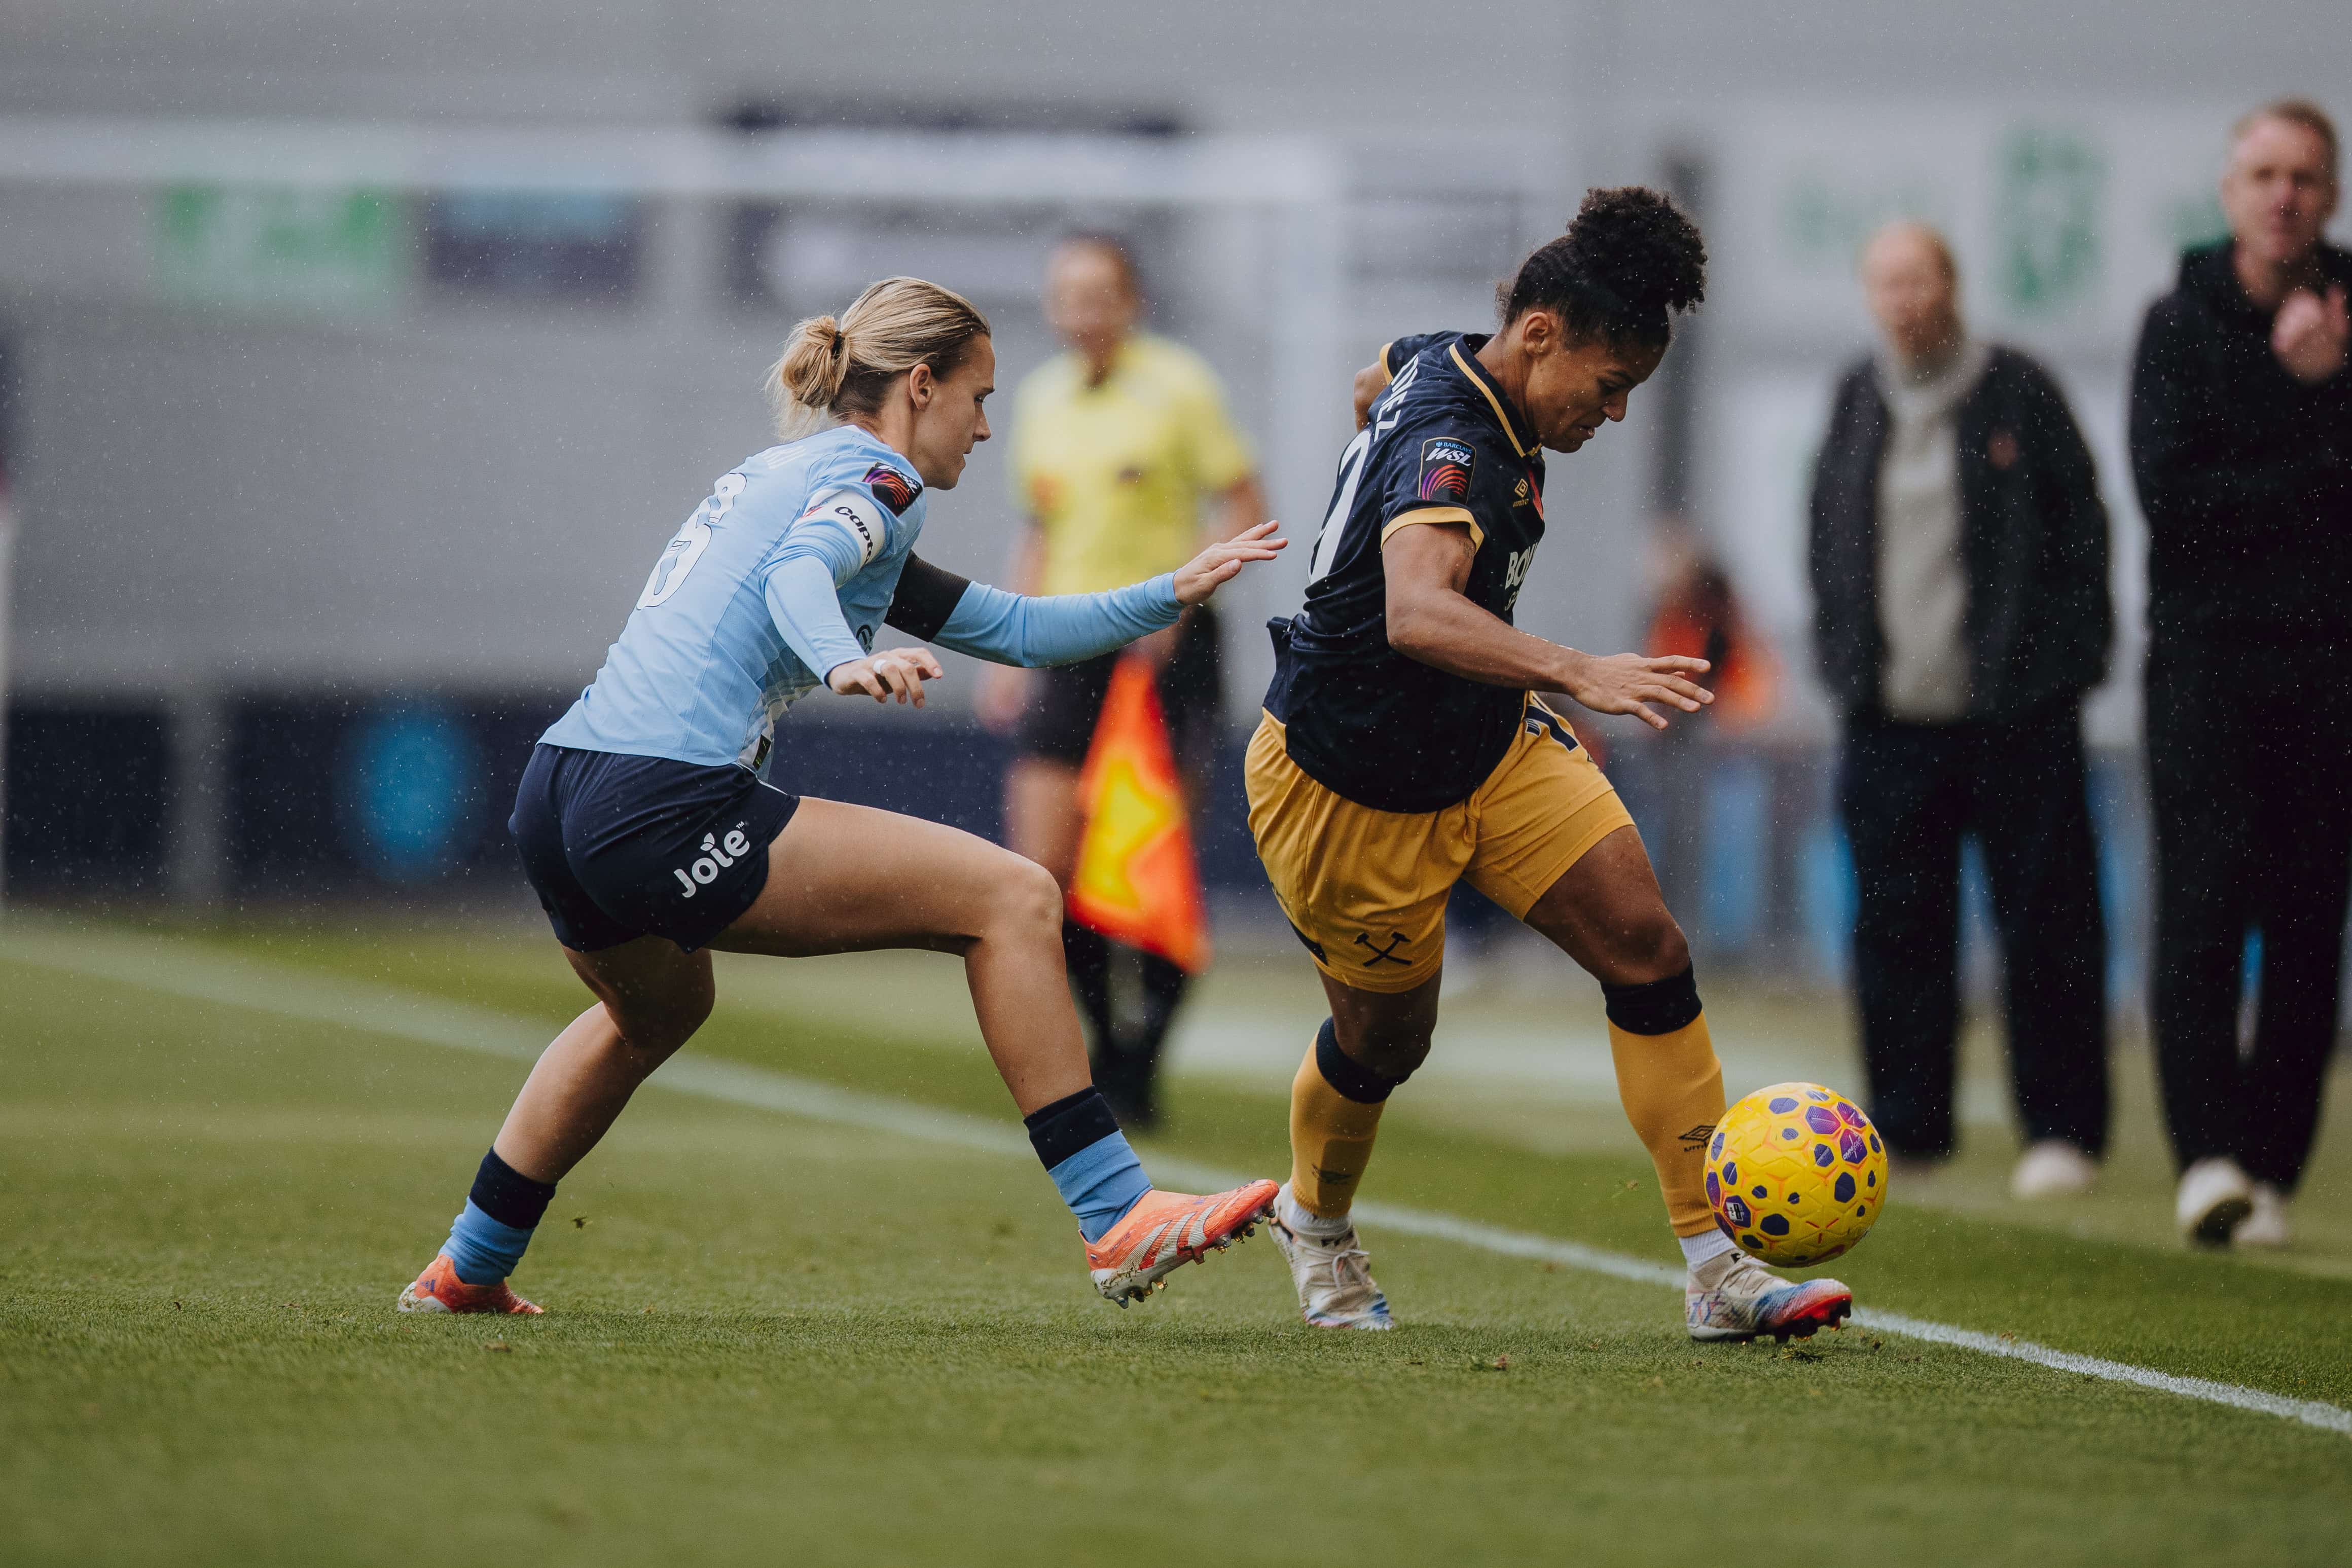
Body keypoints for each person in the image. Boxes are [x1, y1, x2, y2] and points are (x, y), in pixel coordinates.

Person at [394, 276, 1287, 1316]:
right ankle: (1116, 1215)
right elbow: (798, 578)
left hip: (561, 790)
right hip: (662, 800)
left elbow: (1012, 627)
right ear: (920, 385)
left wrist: (1168, 589)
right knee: (1012, 897)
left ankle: (469, 1260)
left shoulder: (799, 470)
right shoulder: (878, 478)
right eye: (978, 397)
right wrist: (840, 663)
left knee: (657, 1010)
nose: (988, 427)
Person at [1251, 188, 1855, 1341]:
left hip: (1485, 744)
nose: (1615, 413)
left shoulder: (1447, 360)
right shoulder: (1457, 445)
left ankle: (1716, 1265)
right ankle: (1315, 1221)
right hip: (1346, 779)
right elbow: (1418, 615)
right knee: (1388, 1042)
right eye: (1609, 382)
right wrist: (1580, 668)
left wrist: (1370, 434)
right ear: (1539, 336)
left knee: (1646, 944)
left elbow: (1380, 373)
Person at [1808, 221, 2113, 1200]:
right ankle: (1908, 1127)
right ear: (1869, 295)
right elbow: (1827, 538)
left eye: (1919, 280)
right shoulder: (1856, 397)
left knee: (2047, 923)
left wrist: (2067, 666)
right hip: (1889, 717)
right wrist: (1841, 662)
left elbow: (2083, 534)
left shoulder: (2019, 388)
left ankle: (2061, 1129)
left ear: (1953, 286)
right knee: (1895, 926)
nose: (1904, 300)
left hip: (2017, 713)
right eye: (1886, 282)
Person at [980, 234, 1267, 1128]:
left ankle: (1144, 1057)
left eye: (1101, 291)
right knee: (1043, 872)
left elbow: (1245, 507)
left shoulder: (1179, 386)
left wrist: (1179, 603)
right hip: (1068, 641)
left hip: (1167, 650)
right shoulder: (1039, 398)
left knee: (1148, 864)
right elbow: (1042, 527)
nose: (1083, 310)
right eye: (1068, 292)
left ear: (1131, 300)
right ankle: (1108, 1043)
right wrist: (1006, 645)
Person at [2130, 99, 2352, 1249]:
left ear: (2329, 194)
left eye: (2305, 177)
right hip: (2208, 670)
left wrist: (2317, 393)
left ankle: (2272, 1164)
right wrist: (2298, 397)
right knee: (2203, 910)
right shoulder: (2176, 327)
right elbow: (2180, 507)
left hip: (2330, 674)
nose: (2283, 196)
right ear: (2229, 192)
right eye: (2263, 173)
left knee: (2311, 924)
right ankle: (2207, 1157)